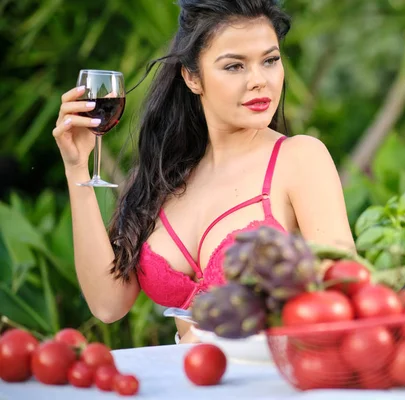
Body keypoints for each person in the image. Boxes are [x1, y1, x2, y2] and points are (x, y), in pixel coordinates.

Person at [52, 0, 355, 345]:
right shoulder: (161, 178)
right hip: (186, 384)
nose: (259, 81)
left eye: (270, 60)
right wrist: (77, 168)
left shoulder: (299, 158)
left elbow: (342, 290)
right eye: (234, 67)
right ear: (192, 77)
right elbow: (108, 305)